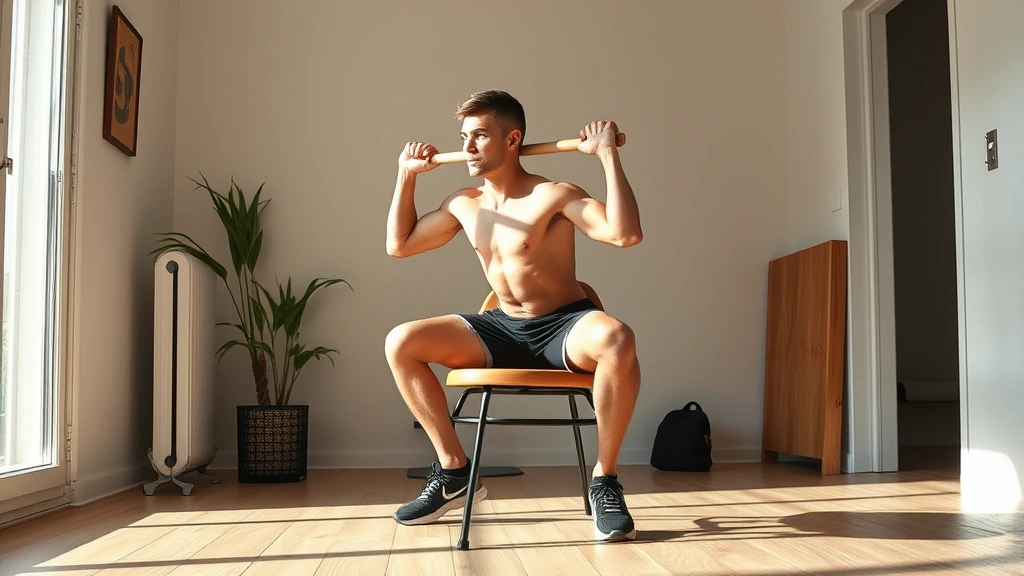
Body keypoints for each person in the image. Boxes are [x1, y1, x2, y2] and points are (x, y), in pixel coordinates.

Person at [384, 89, 643, 542]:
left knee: (618, 338)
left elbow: (625, 235)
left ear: (512, 139)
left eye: (479, 135)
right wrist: (406, 177)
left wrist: (606, 157)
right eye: (464, 136)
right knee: (400, 342)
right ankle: (454, 471)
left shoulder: (554, 195)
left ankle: (606, 480)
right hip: (501, 327)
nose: (466, 146)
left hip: (564, 325)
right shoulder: (463, 203)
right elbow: (400, 245)